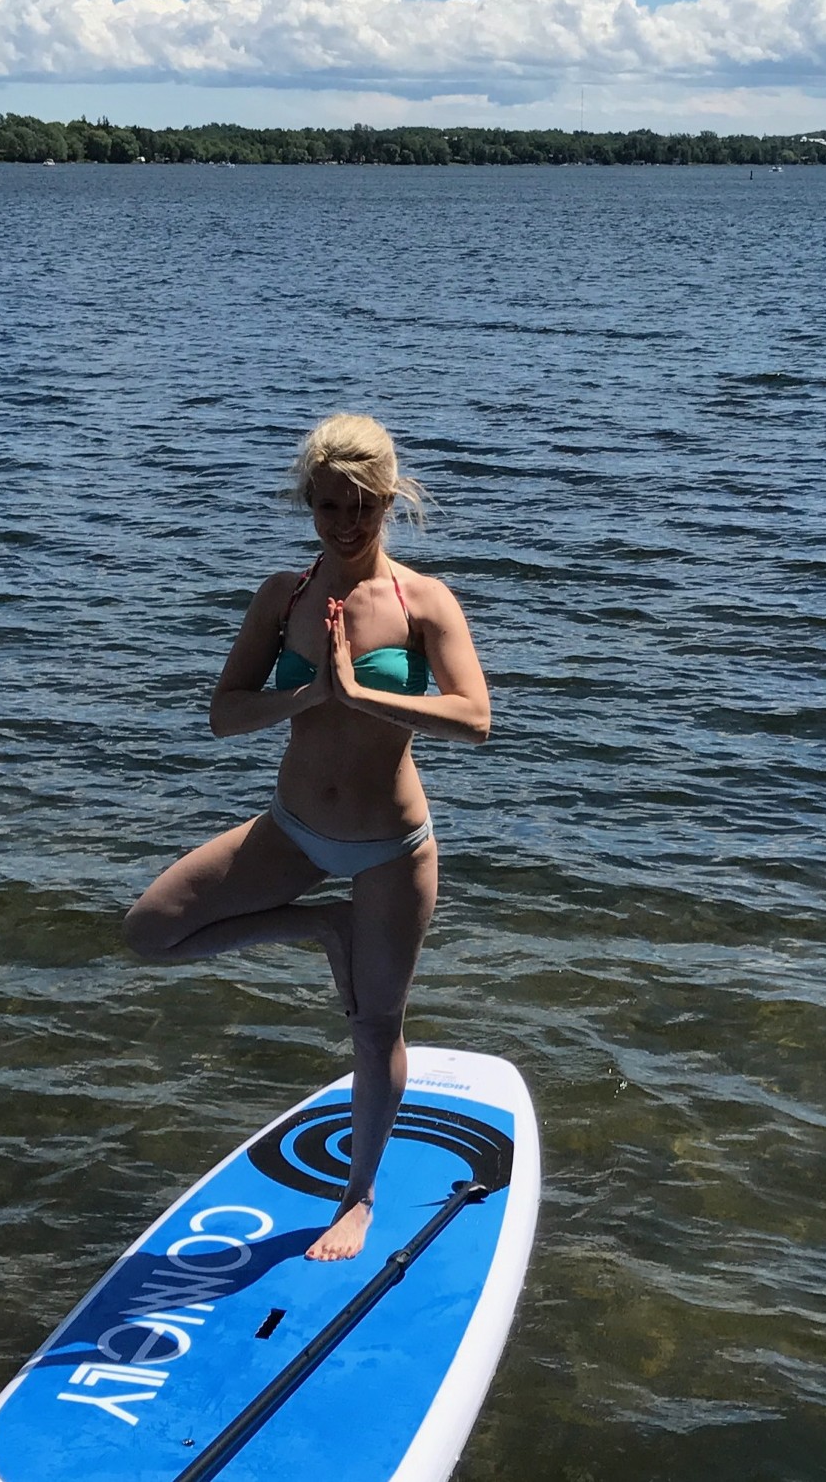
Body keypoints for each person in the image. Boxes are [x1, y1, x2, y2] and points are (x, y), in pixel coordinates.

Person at [122, 413, 492, 1261]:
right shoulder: (283, 597)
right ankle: (317, 924)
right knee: (149, 932)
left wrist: (365, 695)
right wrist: (307, 694)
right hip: (291, 832)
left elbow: (475, 719)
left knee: (374, 1027)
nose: (347, 523)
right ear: (310, 505)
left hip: (392, 851)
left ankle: (357, 1198)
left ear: (390, 500)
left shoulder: (421, 601)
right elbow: (223, 714)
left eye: (363, 505)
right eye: (329, 507)